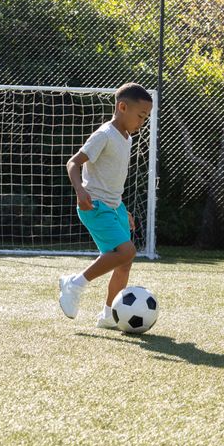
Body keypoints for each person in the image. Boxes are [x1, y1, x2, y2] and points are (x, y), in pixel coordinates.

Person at [58, 83, 154, 328]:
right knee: (127, 251)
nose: (143, 121)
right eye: (141, 115)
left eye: (147, 117)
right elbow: (73, 163)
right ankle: (74, 284)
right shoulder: (104, 134)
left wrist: (123, 208)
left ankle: (108, 315)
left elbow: (111, 177)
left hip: (114, 207)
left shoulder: (127, 137)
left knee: (124, 262)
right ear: (122, 107)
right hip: (95, 206)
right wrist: (80, 190)